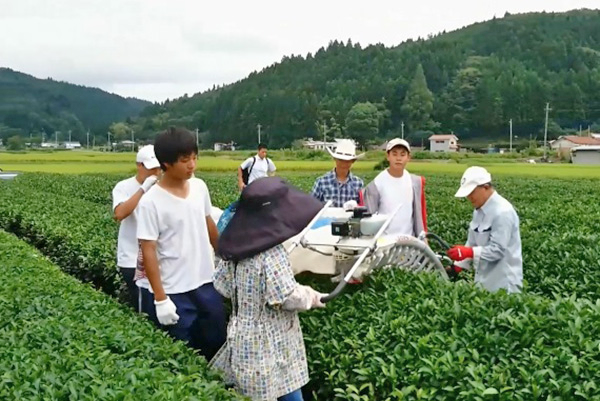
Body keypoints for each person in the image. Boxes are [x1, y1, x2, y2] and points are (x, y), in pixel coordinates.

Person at [211, 177, 326, 401]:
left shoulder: (233, 248)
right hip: (270, 340)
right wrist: (311, 297)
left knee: (263, 390)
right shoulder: (271, 255)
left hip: (241, 333)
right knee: (282, 388)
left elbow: (221, 285)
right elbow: (286, 297)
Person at [137, 127, 226, 360]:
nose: (192, 165)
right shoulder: (151, 203)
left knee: (216, 345)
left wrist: (224, 258)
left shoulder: (199, 187)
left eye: (195, 158)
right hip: (175, 291)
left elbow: (208, 224)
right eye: (185, 160)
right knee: (183, 355)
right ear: (165, 163)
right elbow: (149, 250)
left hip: (207, 284)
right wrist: (160, 298)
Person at [446, 166, 523, 293]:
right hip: (483, 281)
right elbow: (472, 242)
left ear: (485, 187)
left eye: (472, 192)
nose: (469, 197)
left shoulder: (503, 212)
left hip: (504, 283)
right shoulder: (478, 210)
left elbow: (497, 250)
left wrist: (469, 252)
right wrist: (457, 267)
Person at [111, 145, 160, 309]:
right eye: (151, 168)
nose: (155, 172)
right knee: (142, 305)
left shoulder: (162, 188)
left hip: (157, 258)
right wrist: (143, 189)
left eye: (158, 168)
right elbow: (119, 214)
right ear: (139, 165)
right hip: (131, 259)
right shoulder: (123, 187)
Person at [363, 138, 428, 238]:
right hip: (384, 244)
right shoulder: (376, 184)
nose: (398, 158)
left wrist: (424, 241)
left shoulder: (415, 183)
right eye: (394, 154)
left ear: (408, 157)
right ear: (388, 156)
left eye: (402, 155)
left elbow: (419, 216)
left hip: (409, 244)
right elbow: (368, 218)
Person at [311, 139, 365, 208]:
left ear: (353, 161)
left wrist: (356, 206)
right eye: (341, 160)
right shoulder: (322, 182)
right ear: (335, 159)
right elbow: (311, 206)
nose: (344, 164)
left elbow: (363, 207)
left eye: (347, 161)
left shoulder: (358, 183)